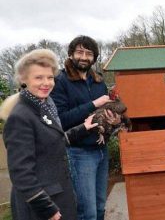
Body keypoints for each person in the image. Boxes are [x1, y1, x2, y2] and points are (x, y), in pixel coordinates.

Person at [1, 49, 98, 220]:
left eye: (50, 77)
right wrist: (48, 209)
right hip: (41, 208)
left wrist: (83, 128)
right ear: (24, 79)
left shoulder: (45, 106)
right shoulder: (20, 117)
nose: (46, 83)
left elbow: (53, 143)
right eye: (38, 77)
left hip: (59, 197)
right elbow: (21, 173)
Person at [50, 35, 120, 220]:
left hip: (101, 150)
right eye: (79, 52)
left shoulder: (98, 81)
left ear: (94, 58)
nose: (84, 57)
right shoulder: (60, 81)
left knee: (99, 207)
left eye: (89, 53)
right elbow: (62, 120)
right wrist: (93, 104)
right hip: (79, 153)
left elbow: (105, 113)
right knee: (85, 211)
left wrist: (113, 122)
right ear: (71, 54)